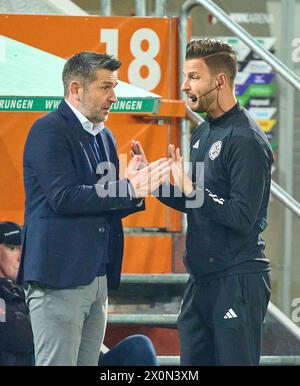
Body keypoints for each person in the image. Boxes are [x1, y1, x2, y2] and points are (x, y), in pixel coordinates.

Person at [17, 51, 170, 366]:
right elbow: (65, 197)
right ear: (75, 89)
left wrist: (135, 187)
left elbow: (102, 203)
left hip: (96, 278)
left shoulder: (106, 137)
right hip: (59, 278)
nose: (114, 97)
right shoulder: (48, 130)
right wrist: (126, 187)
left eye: (114, 87)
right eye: (105, 87)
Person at [131, 38, 273, 365]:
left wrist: (193, 189)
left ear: (219, 81)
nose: (184, 86)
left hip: (237, 279)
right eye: (186, 77)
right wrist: (152, 183)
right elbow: (197, 201)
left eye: (194, 77)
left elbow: (240, 217)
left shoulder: (247, 139)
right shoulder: (203, 131)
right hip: (201, 281)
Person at [0, 221, 34, 366]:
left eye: (22, 249)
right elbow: (20, 339)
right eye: (13, 248)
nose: (20, 257)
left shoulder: (24, 291)